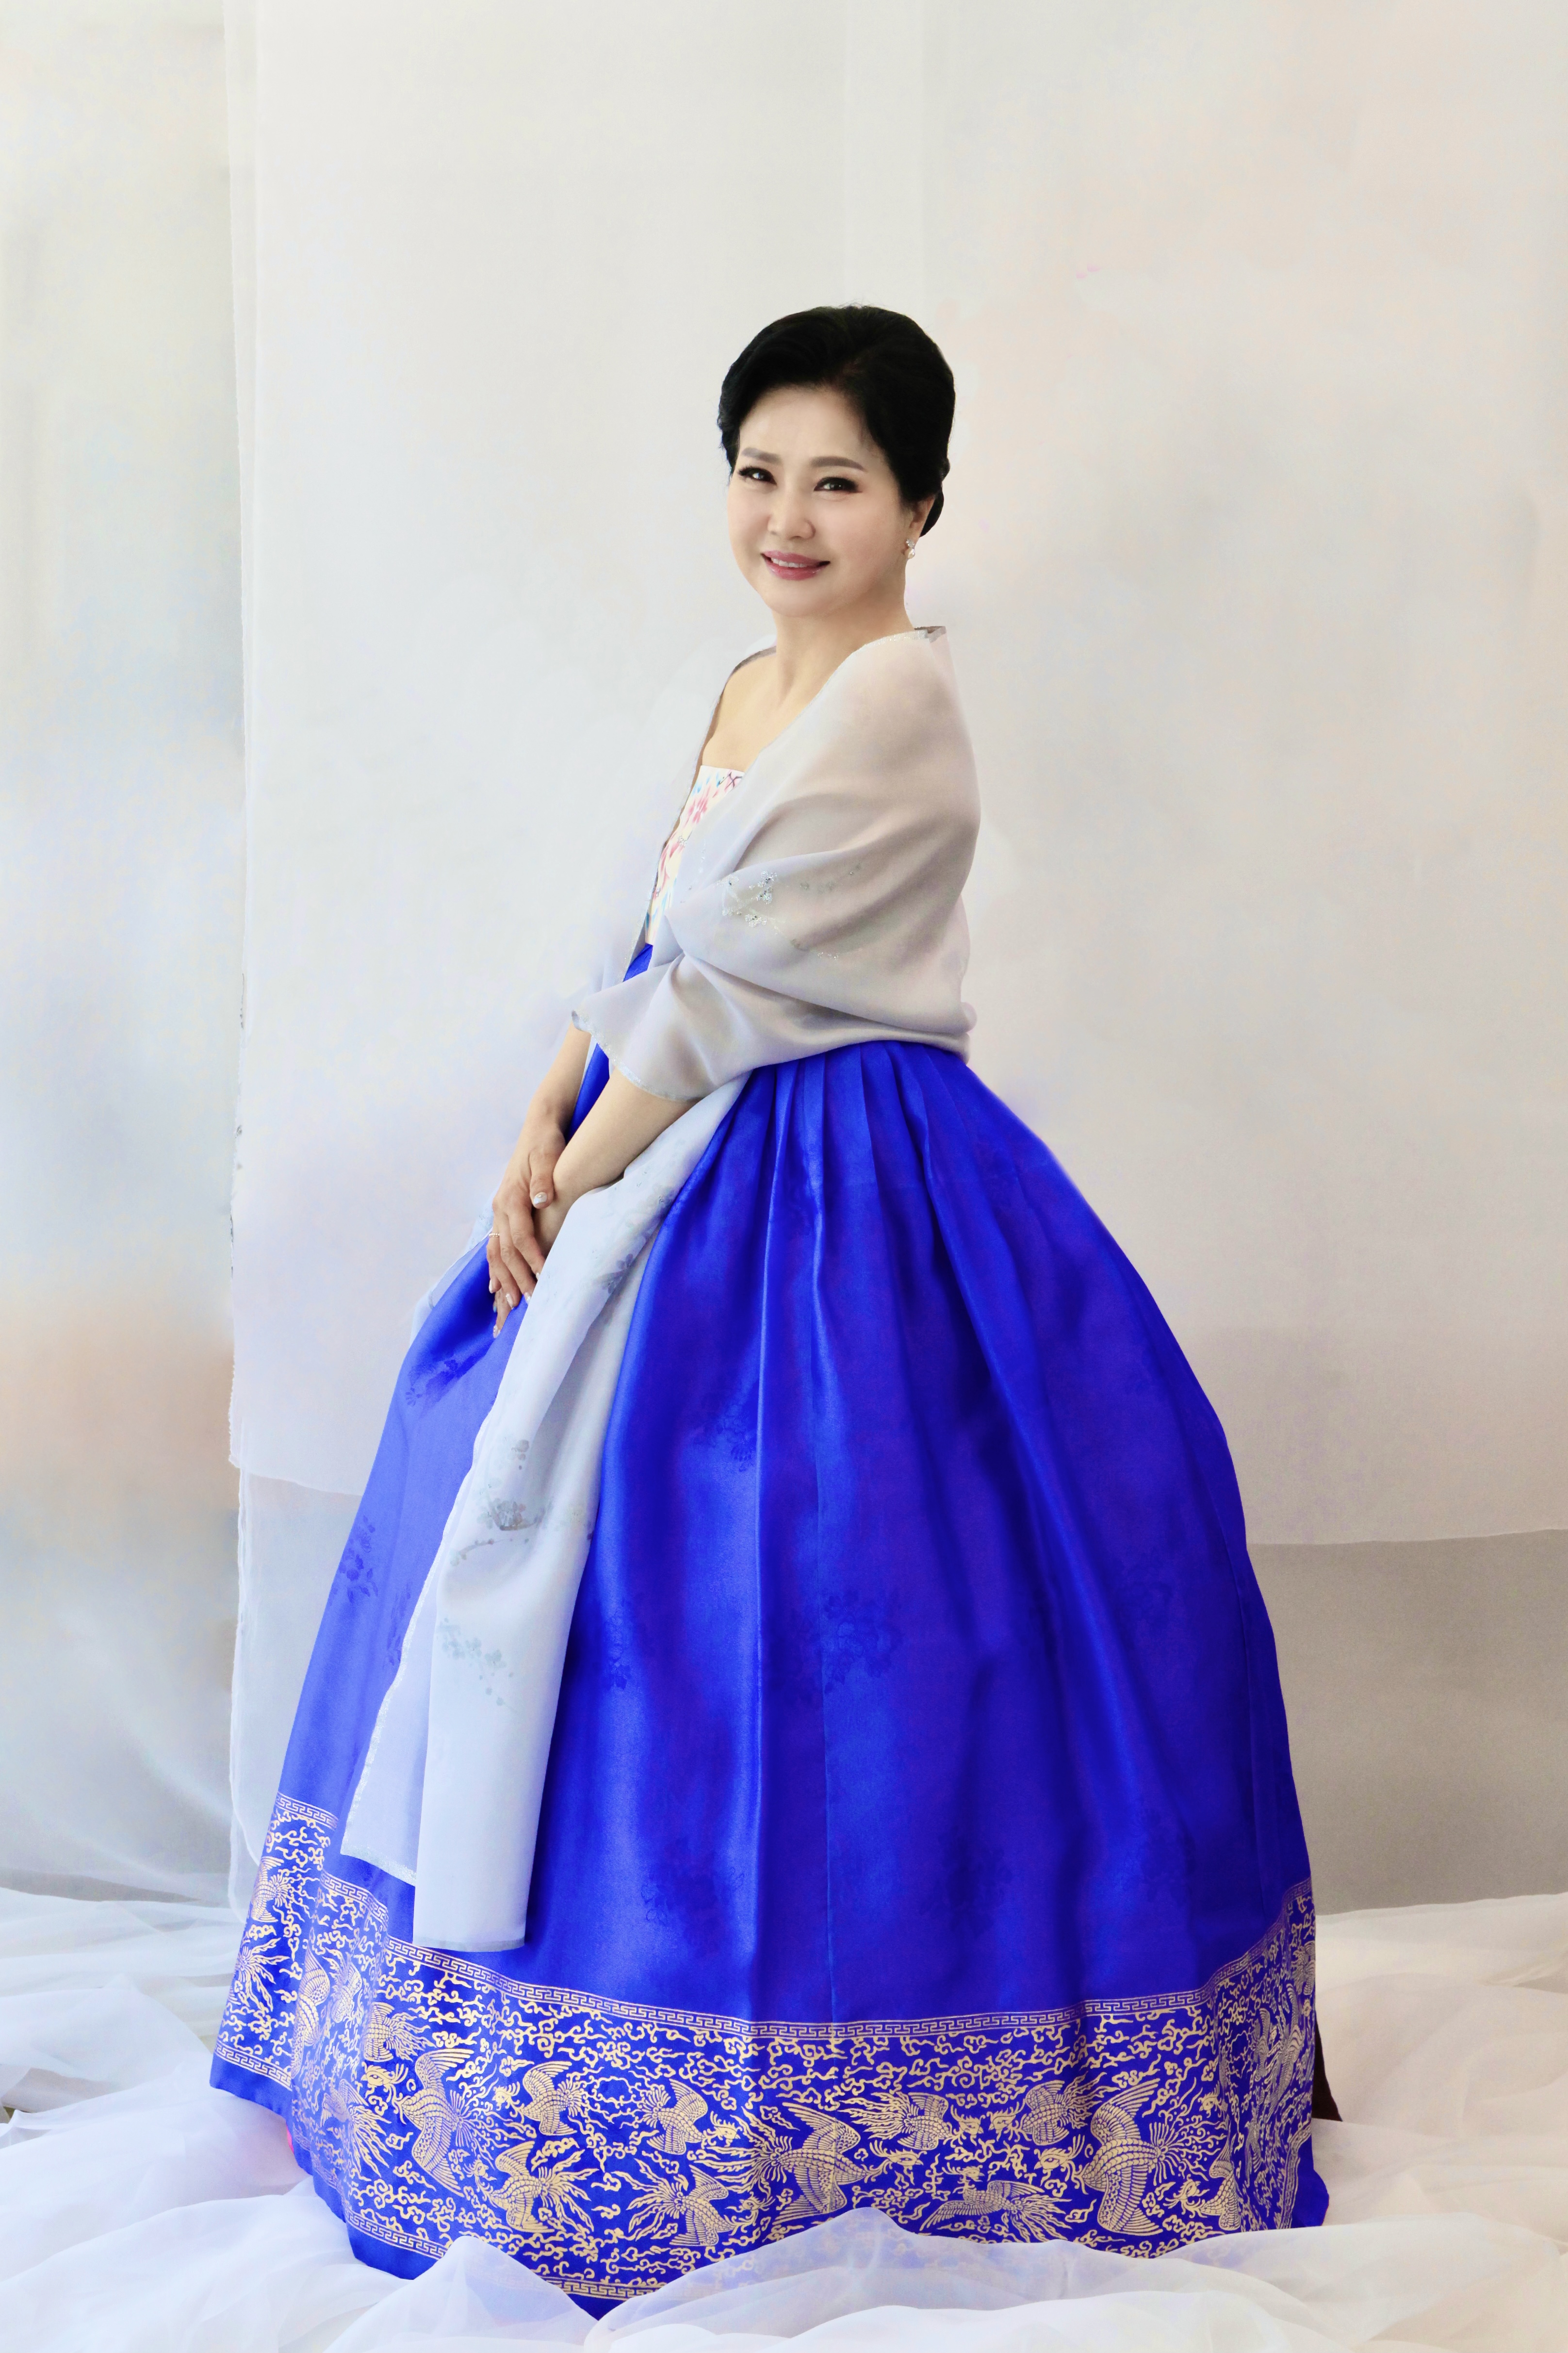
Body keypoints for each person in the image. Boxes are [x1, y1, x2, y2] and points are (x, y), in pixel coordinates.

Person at [211, 306, 1328, 2315]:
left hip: (850, 1174)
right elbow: (635, 944)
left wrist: (579, 1164)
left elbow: (728, 992)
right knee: (542, 1521)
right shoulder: (727, 682)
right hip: (662, 1136)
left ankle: (883, 2103)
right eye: (758, 472)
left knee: (846, 1588)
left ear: (922, 504)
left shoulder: (899, 700)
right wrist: (536, 1115)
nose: (789, 517)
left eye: (839, 481)